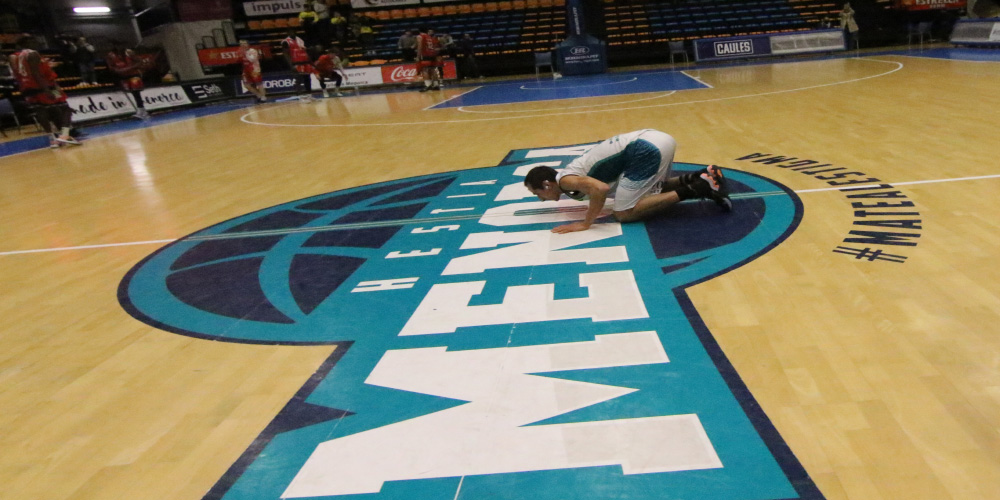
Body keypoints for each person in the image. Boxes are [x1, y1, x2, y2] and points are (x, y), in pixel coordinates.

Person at [523, 129, 731, 233]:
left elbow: (600, 188)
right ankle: (702, 175)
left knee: (623, 213)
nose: (541, 199)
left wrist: (586, 223)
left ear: (547, 184)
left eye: (537, 194)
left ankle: (700, 187)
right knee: (647, 194)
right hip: (656, 139)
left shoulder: (566, 181)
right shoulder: (571, 175)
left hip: (643, 148)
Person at [9, 36, 82, 147]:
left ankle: (52, 137)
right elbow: (36, 74)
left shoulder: (15, 57)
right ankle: (65, 135)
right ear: (28, 42)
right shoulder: (32, 54)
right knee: (65, 108)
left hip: (28, 87)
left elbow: (19, 73)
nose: (37, 43)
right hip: (47, 86)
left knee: (42, 110)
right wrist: (47, 89)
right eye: (34, 41)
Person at [106, 43, 150, 120]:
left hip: (133, 74)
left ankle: (142, 111)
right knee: (133, 93)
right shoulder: (111, 55)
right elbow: (111, 67)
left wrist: (132, 67)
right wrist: (118, 70)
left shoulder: (128, 52)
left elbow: (139, 61)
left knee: (136, 92)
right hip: (124, 76)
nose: (119, 47)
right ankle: (142, 110)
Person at [282, 29, 315, 101]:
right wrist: (291, 65)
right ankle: (299, 96)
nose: (292, 33)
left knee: (307, 78)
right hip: (295, 63)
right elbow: (286, 54)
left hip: (305, 62)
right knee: (298, 79)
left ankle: (309, 95)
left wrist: (310, 62)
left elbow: (305, 51)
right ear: (288, 33)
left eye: (293, 31)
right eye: (290, 32)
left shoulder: (300, 40)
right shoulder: (286, 41)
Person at [415, 27, 443, 91]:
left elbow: (420, 46)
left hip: (425, 54)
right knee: (433, 69)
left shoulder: (420, 36)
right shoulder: (430, 36)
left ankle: (428, 85)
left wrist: (418, 56)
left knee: (425, 69)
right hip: (432, 54)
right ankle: (436, 85)